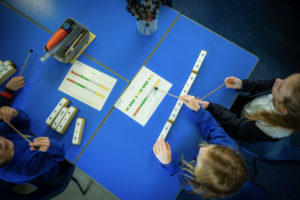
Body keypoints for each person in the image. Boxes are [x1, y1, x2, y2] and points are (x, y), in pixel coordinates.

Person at [153, 95, 247, 198]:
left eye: (200, 156)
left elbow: (178, 172)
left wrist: (168, 162)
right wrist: (198, 110)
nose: (201, 148)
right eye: (212, 147)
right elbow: (212, 128)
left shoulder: (194, 183)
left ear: (199, 173)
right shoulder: (228, 147)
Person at [198, 73, 300, 142]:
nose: (278, 80)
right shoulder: (286, 88)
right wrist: (243, 85)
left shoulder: (271, 129)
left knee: (204, 127)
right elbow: (265, 85)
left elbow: (238, 127)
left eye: (279, 87)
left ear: (283, 109)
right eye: (285, 79)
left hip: (242, 128)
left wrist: (211, 107)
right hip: (249, 106)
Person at [0, 106, 65, 184]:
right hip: (54, 165)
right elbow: (57, 156)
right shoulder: (23, 170)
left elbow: (24, 123)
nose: (1, 143)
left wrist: (14, 114)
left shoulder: (3, 134)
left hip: (42, 141)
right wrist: (51, 146)